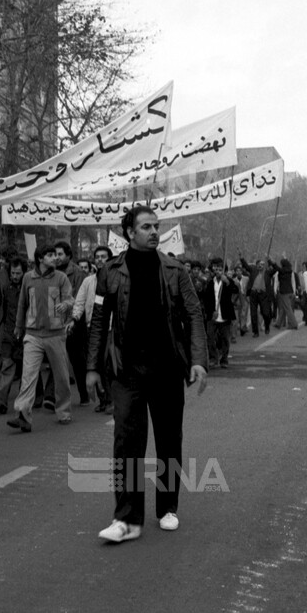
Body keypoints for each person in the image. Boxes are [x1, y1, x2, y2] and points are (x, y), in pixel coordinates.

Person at [87, 205, 208, 544]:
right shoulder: (109, 272)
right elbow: (98, 321)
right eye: (146, 227)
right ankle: (127, 519)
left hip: (168, 369)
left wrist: (198, 360)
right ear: (129, 232)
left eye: (156, 226)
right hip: (127, 372)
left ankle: (168, 507)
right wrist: (92, 368)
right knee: (126, 442)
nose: (154, 232)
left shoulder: (175, 270)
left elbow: (194, 314)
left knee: (169, 441)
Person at [6, 243, 75, 432]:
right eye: (51, 255)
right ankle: (23, 414)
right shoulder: (28, 278)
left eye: (55, 255)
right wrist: (19, 327)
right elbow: (22, 304)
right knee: (28, 376)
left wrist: (66, 305)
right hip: (33, 335)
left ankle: (63, 411)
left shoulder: (61, 278)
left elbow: (70, 298)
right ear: (40, 259)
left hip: (56, 334)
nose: (55, 258)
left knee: (61, 376)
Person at [0, 256, 26, 415]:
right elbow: (0, 307)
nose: (15, 276)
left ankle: (37, 397)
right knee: (7, 364)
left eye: (18, 273)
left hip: (27, 334)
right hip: (8, 333)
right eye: (13, 273)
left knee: (28, 369)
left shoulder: (29, 288)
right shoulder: (6, 288)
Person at [55, 240, 90, 405]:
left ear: (69, 255)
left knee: (77, 360)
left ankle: (84, 394)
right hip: (55, 323)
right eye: (55, 254)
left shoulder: (78, 274)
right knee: (56, 358)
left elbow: (78, 300)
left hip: (74, 323)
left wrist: (72, 321)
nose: (57, 257)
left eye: (60, 254)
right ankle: (52, 396)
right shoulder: (51, 272)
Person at [200, 258, 236, 369]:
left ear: (224, 271)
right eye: (217, 269)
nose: (218, 272)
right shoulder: (210, 282)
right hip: (213, 316)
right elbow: (206, 299)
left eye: (221, 270)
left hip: (224, 316)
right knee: (210, 338)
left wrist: (228, 282)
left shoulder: (228, 281)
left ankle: (224, 359)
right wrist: (210, 312)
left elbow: (235, 291)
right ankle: (213, 358)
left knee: (225, 339)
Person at [273, 258, 300, 330]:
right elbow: (293, 282)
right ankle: (278, 323)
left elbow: (277, 281)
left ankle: (294, 324)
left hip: (284, 292)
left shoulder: (281, 272)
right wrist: (294, 292)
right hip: (290, 291)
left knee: (288, 308)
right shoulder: (290, 272)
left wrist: (275, 290)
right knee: (284, 308)